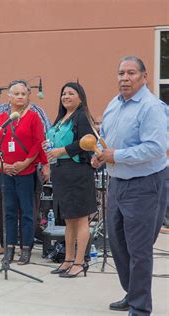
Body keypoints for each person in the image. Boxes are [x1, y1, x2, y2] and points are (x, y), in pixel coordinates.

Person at [92, 56, 167, 315]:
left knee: (139, 248)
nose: (124, 78)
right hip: (118, 183)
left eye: (131, 73)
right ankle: (132, 292)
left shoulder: (151, 107)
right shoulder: (115, 104)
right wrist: (100, 154)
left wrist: (117, 155)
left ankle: (140, 307)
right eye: (121, 73)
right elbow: (107, 140)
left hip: (145, 185)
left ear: (144, 77)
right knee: (118, 244)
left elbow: (156, 148)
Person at [0, 80, 46, 265]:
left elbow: (39, 142)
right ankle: (9, 248)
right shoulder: (1, 118)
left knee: (27, 212)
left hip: (25, 171)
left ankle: (26, 249)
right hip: (6, 171)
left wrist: (27, 162)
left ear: (28, 96)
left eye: (23, 93)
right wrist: (0, 164)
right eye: (16, 93)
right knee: (9, 211)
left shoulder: (34, 117)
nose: (20, 96)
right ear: (9, 96)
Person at [45, 82, 96, 277]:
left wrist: (62, 150)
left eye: (71, 93)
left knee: (81, 219)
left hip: (77, 171)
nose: (66, 96)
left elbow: (86, 142)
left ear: (80, 97)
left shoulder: (81, 116)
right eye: (63, 93)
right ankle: (67, 260)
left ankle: (80, 262)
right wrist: (49, 148)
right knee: (69, 220)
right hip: (61, 172)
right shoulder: (61, 118)